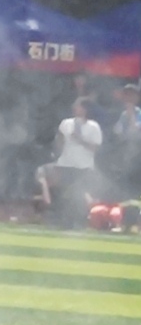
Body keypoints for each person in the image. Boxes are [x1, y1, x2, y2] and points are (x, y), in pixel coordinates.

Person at [40, 89, 104, 226]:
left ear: (85, 109)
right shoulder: (66, 123)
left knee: (79, 194)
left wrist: (79, 139)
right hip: (65, 163)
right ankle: (62, 221)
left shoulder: (93, 127)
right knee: (64, 193)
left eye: (78, 106)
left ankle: (80, 221)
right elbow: (60, 140)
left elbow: (95, 147)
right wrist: (57, 149)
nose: (75, 108)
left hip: (83, 166)